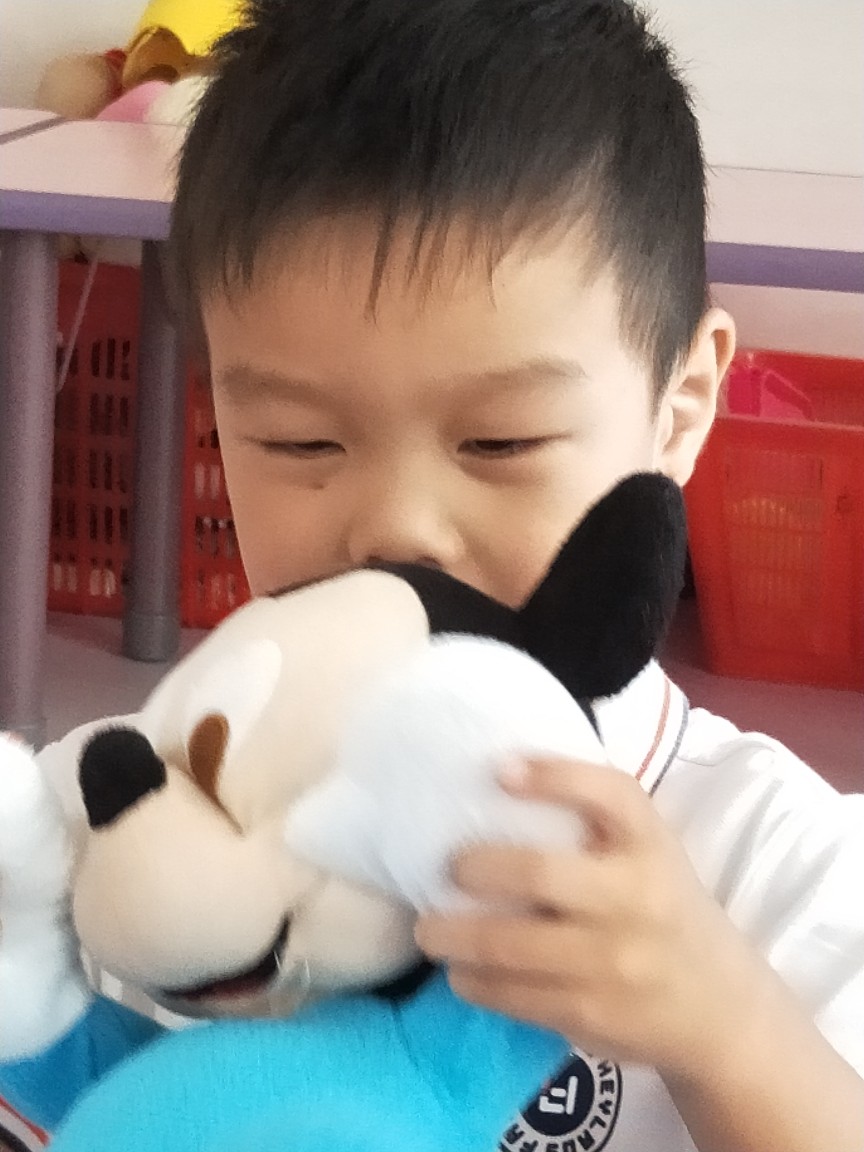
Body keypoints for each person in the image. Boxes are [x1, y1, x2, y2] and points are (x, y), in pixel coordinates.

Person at [25, 0, 864, 1148]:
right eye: (301, 443)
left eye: (500, 442)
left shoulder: (768, 856)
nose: (399, 529)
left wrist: (728, 1028)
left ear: (679, 408)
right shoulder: (131, 812)